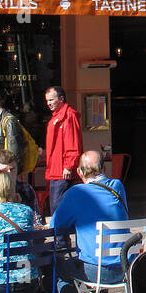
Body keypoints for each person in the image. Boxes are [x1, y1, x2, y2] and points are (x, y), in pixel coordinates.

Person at [50, 150, 130, 293]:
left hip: (97, 271)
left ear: (79, 172)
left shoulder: (77, 192)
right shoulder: (117, 186)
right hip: (125, 268)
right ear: (104, 168)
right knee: (100, 256)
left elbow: (56, 225)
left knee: (61, 268)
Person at [43, 85, 83, 214]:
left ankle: (61, 234)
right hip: (56, 170)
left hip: (62, 171)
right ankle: (62, 234)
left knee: (58, 208)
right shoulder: (58, 117)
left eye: (51, 100)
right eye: (47, 100)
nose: (48, 103)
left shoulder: (67, 116)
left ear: (61, 99)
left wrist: (69, 165)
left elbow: (73, 143)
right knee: (57, 207)